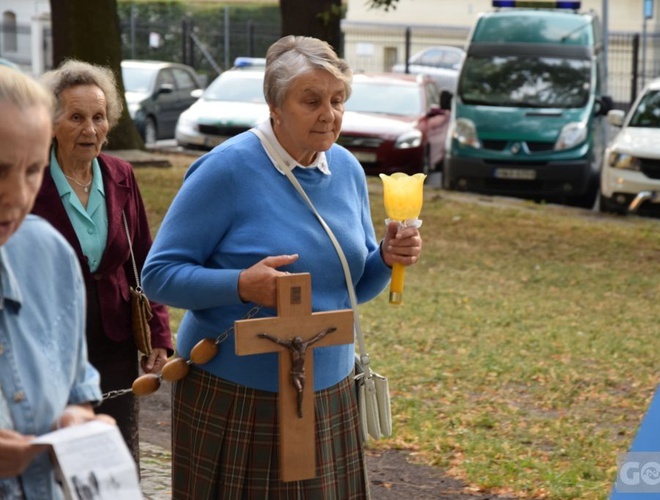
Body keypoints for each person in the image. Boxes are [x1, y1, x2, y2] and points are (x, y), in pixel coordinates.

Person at [142, 35, 422, 498]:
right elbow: (159, 275)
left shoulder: (347, 169)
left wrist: (385, 259)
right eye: (311, 100)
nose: (328, 113)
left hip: (330, 392)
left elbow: (350, 287)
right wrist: (242, 285)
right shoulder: (226, 169)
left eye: (337, 100)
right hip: (237, 396)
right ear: (275, 107)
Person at [31, 59, 173, 466]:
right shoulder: (30, 178)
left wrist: (159, 333)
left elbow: (144, 261)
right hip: (49, 343)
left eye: (99, 117)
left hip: (115, 341)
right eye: (76, 117)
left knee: (114, 455)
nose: (90, 129)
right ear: (52, 121)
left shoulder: (120, 175)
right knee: (55, 455)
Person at [0, 65, 114, 499]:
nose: (17, 196)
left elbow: (74, 389)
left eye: (32, 170)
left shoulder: (48, 254)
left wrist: (76, 423)